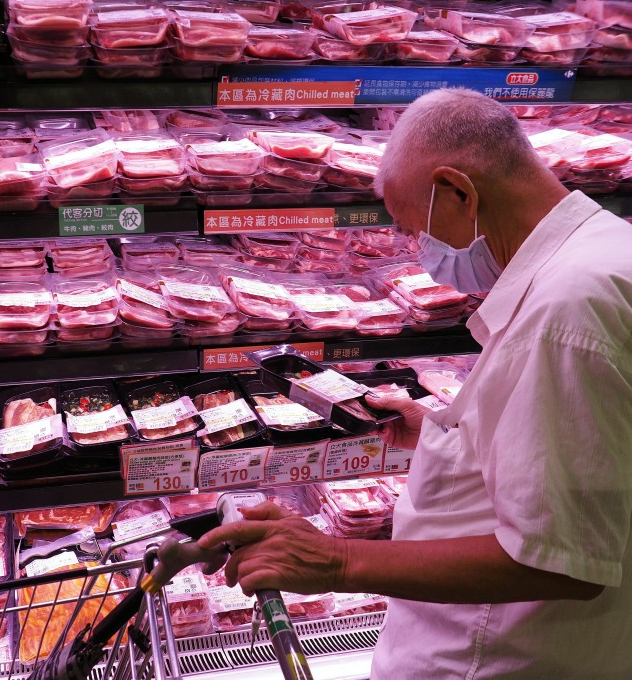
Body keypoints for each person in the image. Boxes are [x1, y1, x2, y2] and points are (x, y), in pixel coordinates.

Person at [199, 88, 632, 679]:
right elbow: (591, 450)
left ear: (459, 191)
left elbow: (563, 562)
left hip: (498, 657)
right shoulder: (609, 249)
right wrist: (443, 431)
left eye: (413, 230)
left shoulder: (565, 312)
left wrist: (337, 560)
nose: (417, 251)